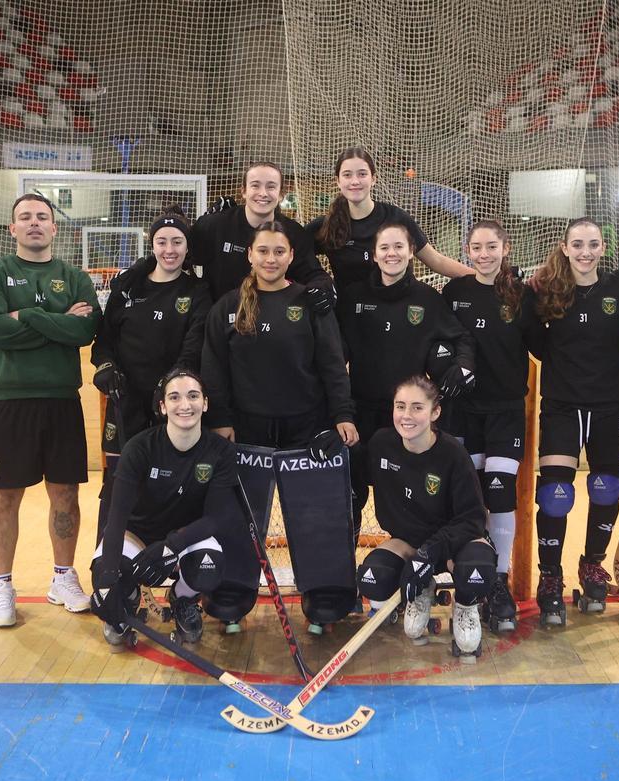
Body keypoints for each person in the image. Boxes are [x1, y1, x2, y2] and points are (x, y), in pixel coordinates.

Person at [201, 220, 358, 630]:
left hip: (305, 425)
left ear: (291, 257)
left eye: (279, 252)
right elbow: (213, 369)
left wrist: (342, 414)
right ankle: (232, 592)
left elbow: (331, 363)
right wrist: (219, 420)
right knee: (238, 514)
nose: (271, 259)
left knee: (313, 516)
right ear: (250, 255)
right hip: (245, 431)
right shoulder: (229, 306)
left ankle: (322, 594)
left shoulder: (310, 302)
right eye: (263, 251)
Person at [0, 193, 100, 628]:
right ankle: (2, 586)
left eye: (42, 217)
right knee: (4, 497)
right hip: (10, 403)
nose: (33, 223)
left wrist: (23, 316)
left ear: (54, 227)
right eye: (24, 217)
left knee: (65, 495)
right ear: (12, 229)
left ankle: (63, 578)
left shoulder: (74, 276)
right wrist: (55, 320)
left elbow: (85, 330)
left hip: (62, 401)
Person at [529, 217, 619, 626]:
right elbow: (533, 340)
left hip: (612, 407)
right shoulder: (547, 291)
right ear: (564, 247)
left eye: (593, 243)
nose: (585, 251)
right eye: (577, 244)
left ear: (603, 247)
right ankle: (550, 573)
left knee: (606, 489)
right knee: (556, 493)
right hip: (562, 406)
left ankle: (593, 564)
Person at [336, 222, 475, 532]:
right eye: (384, 247)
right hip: (358, 414)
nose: (392, 253)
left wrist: (463, 366)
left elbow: (461, 337)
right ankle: (344, 574)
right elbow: (331, 351)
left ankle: (413, 567)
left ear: (412, 252)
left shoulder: (427, 299)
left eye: (399, 247)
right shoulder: (352, 297)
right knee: (349, 497)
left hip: (404, 418)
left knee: (406, 499)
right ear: (374, 254)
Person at [440, 220, 542, 633]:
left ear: (506, 248)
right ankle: (473, 575)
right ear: (466, 251)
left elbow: (542, 344)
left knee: (500, 491)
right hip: (462, 411)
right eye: (476, 247)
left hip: (505, 411)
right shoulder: (455, 293)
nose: (484, 254)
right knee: (472, 498)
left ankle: (498, 582)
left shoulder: (520, 295)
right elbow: (440, 343)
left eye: (492, 247)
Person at [354, 376, 497, 663]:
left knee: (476, 571)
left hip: (457, 541)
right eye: (400, 406)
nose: (406, 416)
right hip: (410, 540)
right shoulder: (382, 444)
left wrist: (429, 554)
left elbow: (472, 519)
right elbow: (354, 469)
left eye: (417, 408)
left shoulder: (453, 454)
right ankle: (423, 589)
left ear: (435, 413)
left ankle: (466, 605)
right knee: (372, 578)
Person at [90, 208, 212, 538]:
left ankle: (172, 566)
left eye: (177, 241)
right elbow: (103, 343)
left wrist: (171, 385)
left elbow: (193, 346)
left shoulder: (197, 292)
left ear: (187, 247)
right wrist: (106, 369)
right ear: (152, 244)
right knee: (118, 482)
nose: (169, 249)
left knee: (174, 481)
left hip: (173, 406)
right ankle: (110, 567)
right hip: (125, 404)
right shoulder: (127, 288)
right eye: (162, 241)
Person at [89, 370, 233, 646]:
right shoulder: (139, 448)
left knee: (209, 567)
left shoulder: (220, 451)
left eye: (193, 396)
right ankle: (128, 601)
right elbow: (116, 516)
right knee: (105, 571)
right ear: (163, 406)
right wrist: (107, 583)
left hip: (187, 535)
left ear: (205, 403)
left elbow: (216, 518)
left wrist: (171, 546)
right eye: (174, 397)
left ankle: (183, 599)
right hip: (139, 533)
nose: (185, 405)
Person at [307, 147, 473, 294]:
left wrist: (480, 278)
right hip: (348, 318)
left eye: (362, 174)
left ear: (373, 178)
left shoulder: (396, 218)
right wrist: (319, 279)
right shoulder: (326, 225)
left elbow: (436, 260)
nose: (355, 181)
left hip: (395, 311)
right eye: (347, 175)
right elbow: (291, 253)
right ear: (338, 181)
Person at [189, 161, 335, 313]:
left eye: (271, 186)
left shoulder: (294, 233)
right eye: (255, 185)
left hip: (273, 323)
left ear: (280, 194)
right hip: (221, 324)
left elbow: (313, 275)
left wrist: (322, 287)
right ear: (243, 191)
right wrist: (175, 226)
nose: (263, 193)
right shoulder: (213, 225)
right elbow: (181, 260)